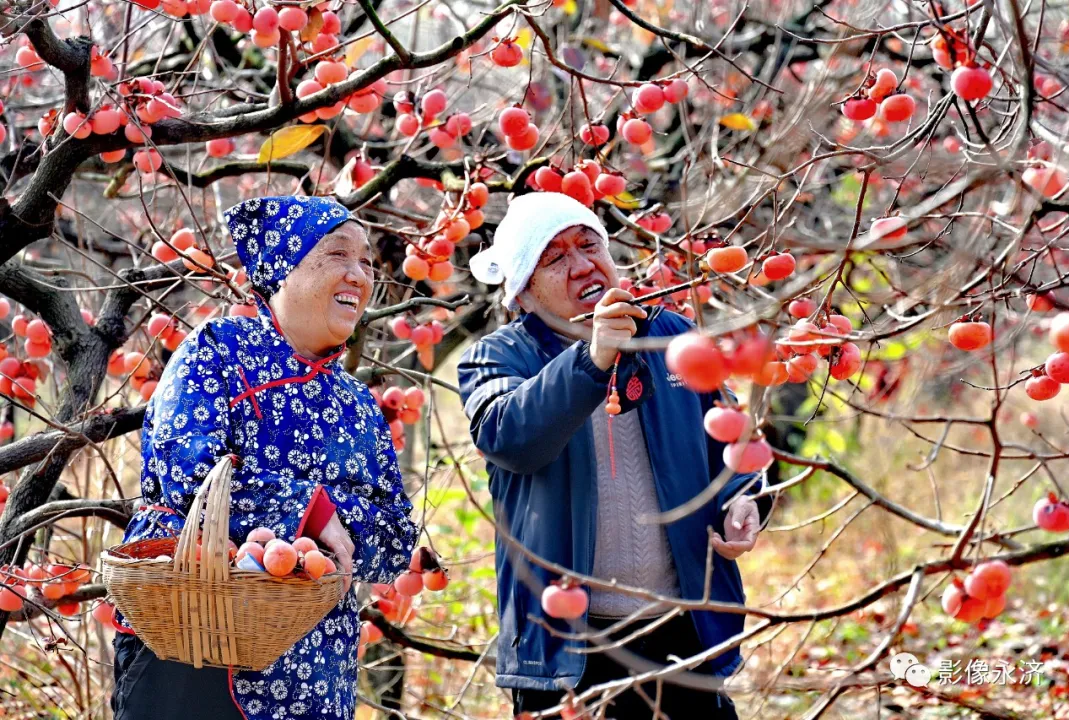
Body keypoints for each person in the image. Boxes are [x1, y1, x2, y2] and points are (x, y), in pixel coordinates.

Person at [458, 193, 773, 719]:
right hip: (570, 646)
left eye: (589, 245)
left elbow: (732, 437)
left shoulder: (668, 335)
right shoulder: (498, 357)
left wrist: (746, 500)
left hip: (682, 626)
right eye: (554, 258)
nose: (582, 265)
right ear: (523, 291)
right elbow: (509, 438)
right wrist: (590, 358)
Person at [111, 196, 418, 720]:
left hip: (314, 677)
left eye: (366, 261)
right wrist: (314, 510)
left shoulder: (358, 403)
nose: (359, 275)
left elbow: (394, 541)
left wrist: (328, 521)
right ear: (282, 265)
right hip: (194, 651)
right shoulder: (218, 350)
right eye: (337, 254)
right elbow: (193, 478)